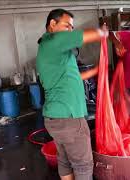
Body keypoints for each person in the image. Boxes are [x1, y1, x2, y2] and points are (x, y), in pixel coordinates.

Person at [36, 9, 107, 180]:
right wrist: (105, 31)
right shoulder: (54, 40)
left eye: (72, 27)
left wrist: (97, 71)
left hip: (54, 118)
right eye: (67, 26)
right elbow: (91, 35)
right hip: (69, 117)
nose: (70, 30)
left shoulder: (50, 50)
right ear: (52, 24)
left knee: (65, 160)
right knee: (83, 165)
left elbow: (72, 77)